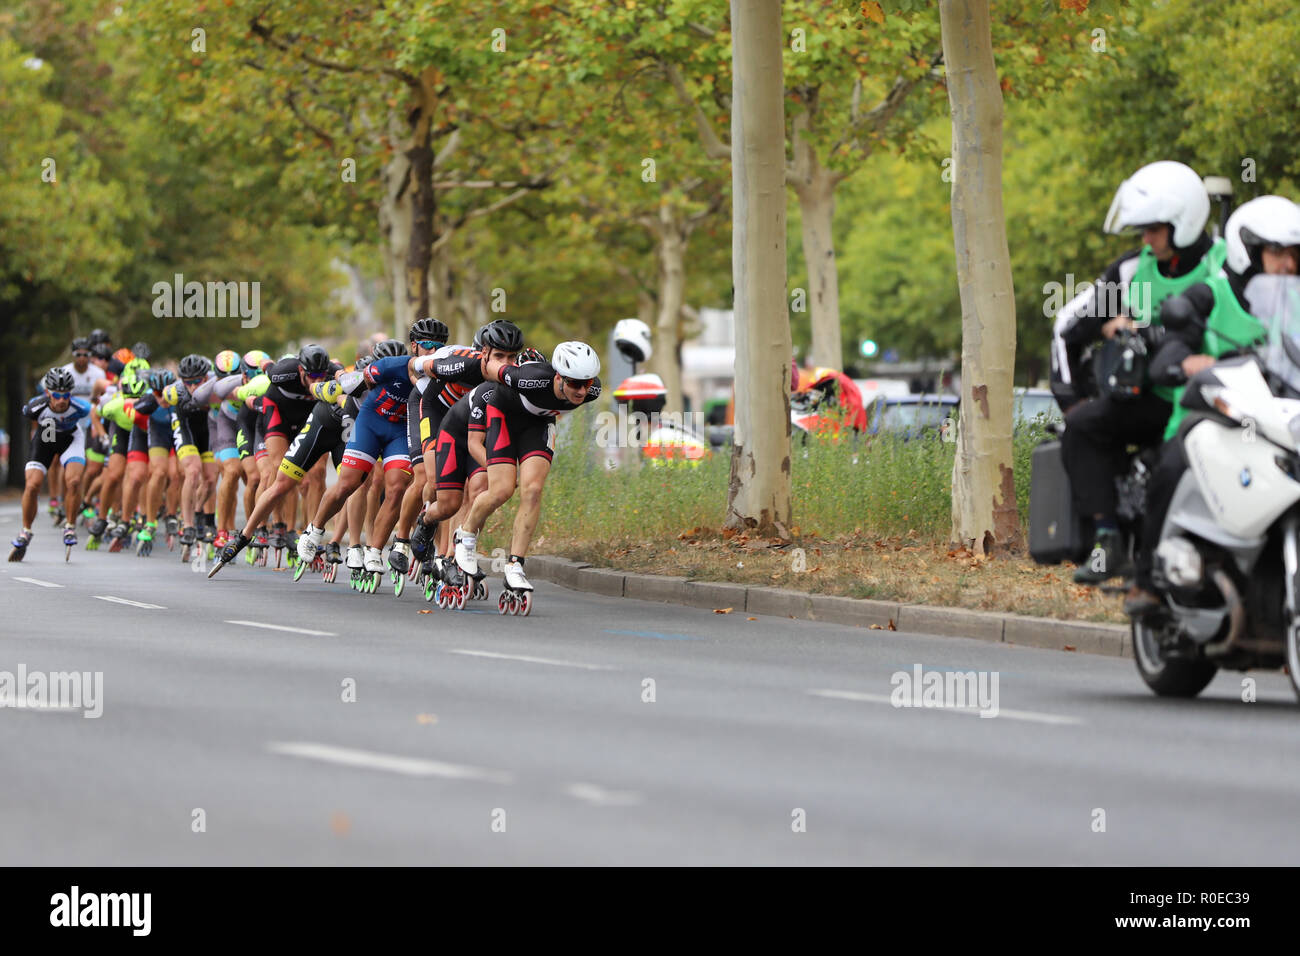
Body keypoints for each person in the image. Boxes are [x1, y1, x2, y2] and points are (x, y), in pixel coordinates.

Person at [1125, 195, 1300, 616]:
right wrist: (1190, 361)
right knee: (1171, 467)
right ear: (1248, 251)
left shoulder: (1296, 305)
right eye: (1277, 252)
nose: (1289, 264)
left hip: (1276, 420)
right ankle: (1146, 580)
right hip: (1207, 419)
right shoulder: (1207, 295)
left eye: (1295, 253)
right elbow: (1168, 355)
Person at [1054, 161, 1226, 584]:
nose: (1146, 239)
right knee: (1082, 425)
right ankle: (1108, 540)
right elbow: (1067, 326)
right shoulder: (1132, 270)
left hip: (1211, 401)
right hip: (1152, 401)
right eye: (1142, 230)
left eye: (1153, 229)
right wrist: (1074, 397)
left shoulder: (1224, 267)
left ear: (1181, 223)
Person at [452, 341, 602, 596]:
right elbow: (490, 367)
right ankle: (464, 537)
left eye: (586, 383)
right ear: (558, 377)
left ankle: (515, 565)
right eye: (575, 383)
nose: (581, 391)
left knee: (533, 490)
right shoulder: (529, 379)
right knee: (501, 491)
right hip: (504, 416)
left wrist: (582, 388)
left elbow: (580, 391)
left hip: (539, 423)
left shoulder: (593, 390)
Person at [10, 368, 91, 561]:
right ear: (48, 394)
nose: (62, 400)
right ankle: (26, 530)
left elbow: (92, 419)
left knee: (73, 481)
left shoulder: (82, 407)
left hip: (71, 439)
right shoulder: (35, 407)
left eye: (66, 396)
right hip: (47, 436)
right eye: (56, 395)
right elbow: (34, 425)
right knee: (32, 485)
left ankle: (70, 527)